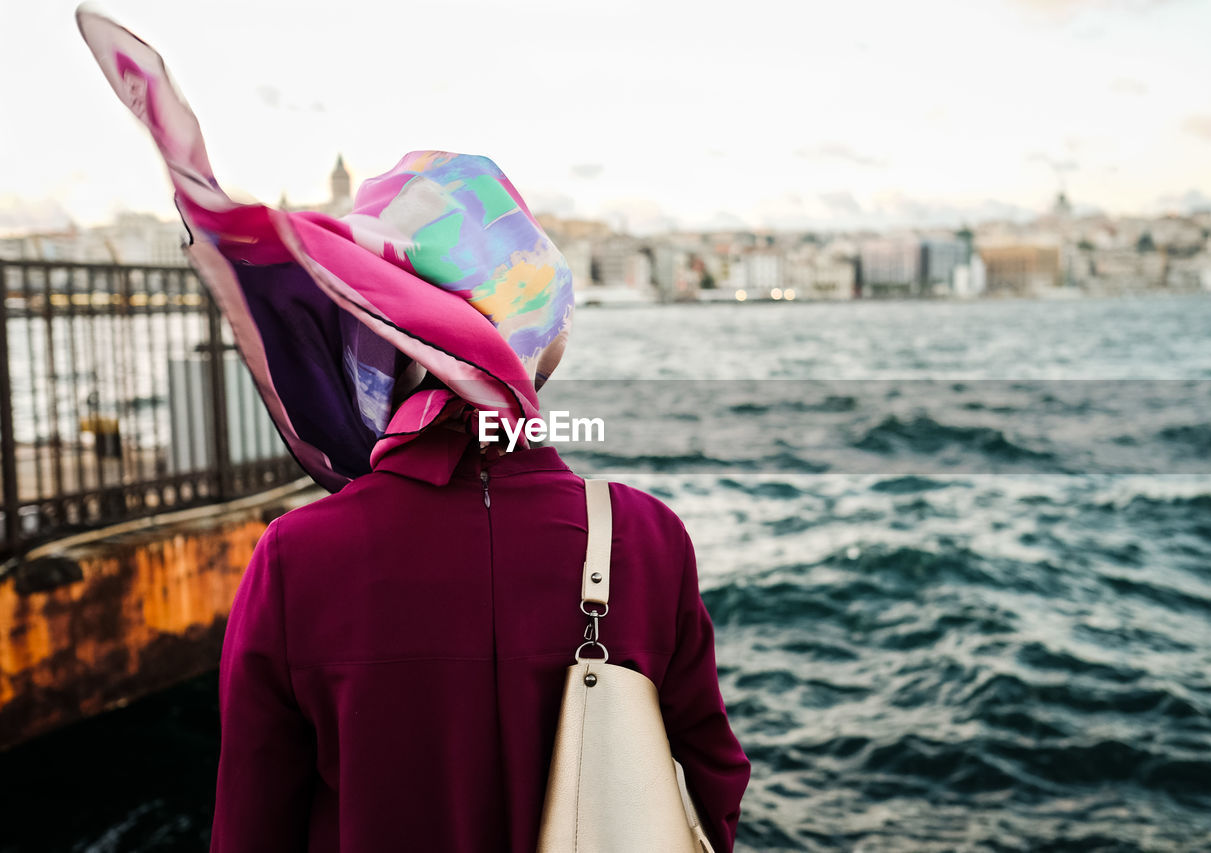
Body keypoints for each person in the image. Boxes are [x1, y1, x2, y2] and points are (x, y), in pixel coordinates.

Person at [77, 8, 750, 852]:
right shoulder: (648, 541)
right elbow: (712, 784)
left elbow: (251, 828)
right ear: (542, 337)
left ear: (375, 336)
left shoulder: (295, 560)